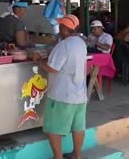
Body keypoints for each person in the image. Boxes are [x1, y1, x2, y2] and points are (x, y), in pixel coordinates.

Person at [32, 14, 87, 159]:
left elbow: (52, 68)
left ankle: (58, 157)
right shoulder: (81, 43)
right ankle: (77, 155)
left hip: (62, 94)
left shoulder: (64, 45)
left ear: (64, 29)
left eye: (60, 27)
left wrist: (38, 61)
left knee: (53, 128)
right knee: (78, 127)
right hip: (79, 94)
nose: (58, 30)